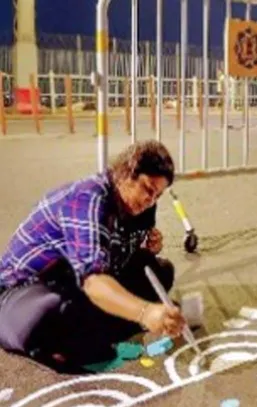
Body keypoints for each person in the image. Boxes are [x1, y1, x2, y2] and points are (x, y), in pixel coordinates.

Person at [0, 140, 187, 373]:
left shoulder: (138, 205)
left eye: (157, 196)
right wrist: (145, 312)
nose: (150, 201)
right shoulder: (87, 199)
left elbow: (116, 255)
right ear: (126, 173)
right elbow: (92, 280)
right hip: (23, 291)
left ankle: (99, 324)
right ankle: (88, 331)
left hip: (70, 278)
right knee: (55, 313)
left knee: (159, 272)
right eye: (148, 190)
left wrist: (148, 248)